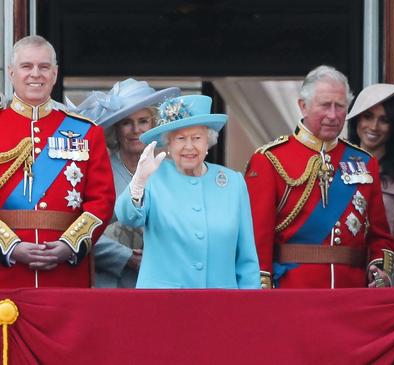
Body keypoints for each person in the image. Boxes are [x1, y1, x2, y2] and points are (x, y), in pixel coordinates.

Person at [245, 65, 394, 289]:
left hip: (351, 291)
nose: (333, 115)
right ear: (303, 106)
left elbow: (380, 236)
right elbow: (257, 238)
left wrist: (379, 270)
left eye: (340, 106)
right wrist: (262, 290)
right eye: (325, 105)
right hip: (293, 291)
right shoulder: (269, 160)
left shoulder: (364, 162)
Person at [0, 35, 115, 288]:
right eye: (26, 66)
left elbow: (102, 199)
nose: (35, 74)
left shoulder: (86, 131)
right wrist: (10, 247)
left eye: (43, 67)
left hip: (65, 273)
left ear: (54, 73)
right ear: (11, 73)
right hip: (5, 273)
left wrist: (69, 245)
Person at [114, 95, 260, 289]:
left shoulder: (233, 182)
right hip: (163, 304)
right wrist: (139, 180)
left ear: (208, 142)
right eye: (181, 139)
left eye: (197, 138)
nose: (189, 147)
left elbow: (246, 257)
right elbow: (127, 217)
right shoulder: (153, 176)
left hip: (220, 304)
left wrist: (249, 306)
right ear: (169, 143)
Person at [70, 78, 180, 287]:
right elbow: (79, 229)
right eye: (126, 123)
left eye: (143, 121)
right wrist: (126, 256)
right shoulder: (98, 170)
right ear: (115, 129)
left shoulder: (172, 172)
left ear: (155, 123)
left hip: (164, 283)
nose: (135, 130)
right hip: (111, 286)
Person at [346, 79, 394, 286]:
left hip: (386, 279)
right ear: (356, 119)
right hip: (343, 275)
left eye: (384, 120)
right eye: (367, 116)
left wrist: (376, 271)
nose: (373, 126)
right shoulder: (337, 162)